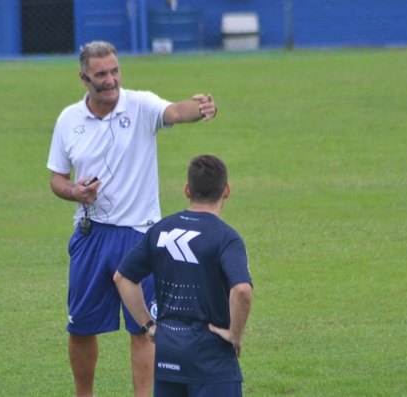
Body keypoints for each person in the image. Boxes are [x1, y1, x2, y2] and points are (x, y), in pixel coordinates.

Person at [46, 41, 218, 397]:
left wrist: (197, 108)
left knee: (144, 328)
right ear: (83, 78)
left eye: (114, 71)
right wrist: (75, 192)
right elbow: (57, 179)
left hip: (140, 237)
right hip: (92, 235)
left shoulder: (139, 105)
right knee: (80, 327)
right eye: (100, 75)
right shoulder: (68, 120)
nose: (110, 80)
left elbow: (173, 112)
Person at [114, 154, 253, 397]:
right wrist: (235, 335)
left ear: (187, 189)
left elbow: (123, 278)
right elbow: (241, 290)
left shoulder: (160, 230)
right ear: (227, 190)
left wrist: (148, 326)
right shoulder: (226, 238)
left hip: (169, 355)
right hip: (211, 359)